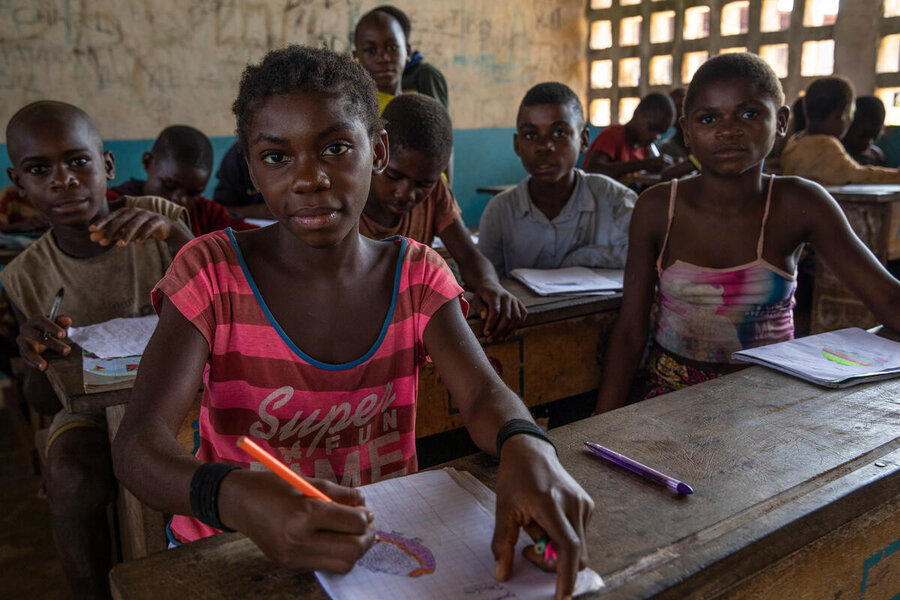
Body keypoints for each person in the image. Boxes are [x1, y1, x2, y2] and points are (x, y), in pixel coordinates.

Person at [111, 46, 593, 600]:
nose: (309, 179)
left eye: (336, 148)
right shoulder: (210, 272)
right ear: (250, 166)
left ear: (379, 149)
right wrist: (236, 497)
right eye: (276, 157)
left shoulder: (416, 274)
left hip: (381, 549)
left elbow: (483, 394)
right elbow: (137, 446)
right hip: (232, 546)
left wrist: (527, 446)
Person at [595, 53, 900, 414]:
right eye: (709, 118)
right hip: (670, 396)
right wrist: (600, 422)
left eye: (750, 113)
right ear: (687, 132)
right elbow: (631, 330)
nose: (728, 129)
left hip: (769, 400)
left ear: (782, 121)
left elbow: (888, 301)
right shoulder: (658, 206)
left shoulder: (800, 203)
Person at [1, 100, 192, 598]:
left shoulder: (161, 221)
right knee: (70, 473)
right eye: (39, 169)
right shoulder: (26, 276)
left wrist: (177, 240)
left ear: (107, 165)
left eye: (77, 161)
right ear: (18, 183)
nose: (62, 179)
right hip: (91, 412)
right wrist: (33, 357)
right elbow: (44, 402)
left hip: (185, 390)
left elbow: (223, 300)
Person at [362, 94, 525, 340]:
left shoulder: (436, 192)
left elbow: (468, 255)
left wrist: (489, 285)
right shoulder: (350, 193)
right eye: (394, 176)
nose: (406, 194)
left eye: (423, 184)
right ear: (375, 154)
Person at [478, 82, 637, 279]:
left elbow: (645, 261)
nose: (544, 146)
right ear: (517, 146)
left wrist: (581, 258)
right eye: (531, 135)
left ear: (584, 140)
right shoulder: (499, 212)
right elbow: (487, 285)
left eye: (559, 133)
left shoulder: (615, 200)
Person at [111, 125, 256, 236]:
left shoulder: (205, 213)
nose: (179, 199)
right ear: (148, 162)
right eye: (169, 185)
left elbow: (254, 238)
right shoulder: (114, 203)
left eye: (193, 194)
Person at [780, 77, 900, 185]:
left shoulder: (796, 141)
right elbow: (859, 176)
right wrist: (896, 176)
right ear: (842, 114)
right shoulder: (825, 145)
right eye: (850, 114)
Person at [581, 92, 676, 180]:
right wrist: (642, 164)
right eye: (652, 128)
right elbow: (592, 170)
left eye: (660, 133)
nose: (655, 137)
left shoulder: (644, 148)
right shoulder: (613, 135)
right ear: (638, 114)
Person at [369, 5, 449, 109]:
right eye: (372, 50)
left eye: (391, 47)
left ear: (406, 48)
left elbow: (438, 121)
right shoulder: (370, 76)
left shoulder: (425, 75)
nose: (382, 57)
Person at [842, 95, 888, 166]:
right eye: (861, 136)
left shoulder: (876, 156)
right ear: (848, 126)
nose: (867, 142)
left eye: (874, 137)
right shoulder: (837, 153)